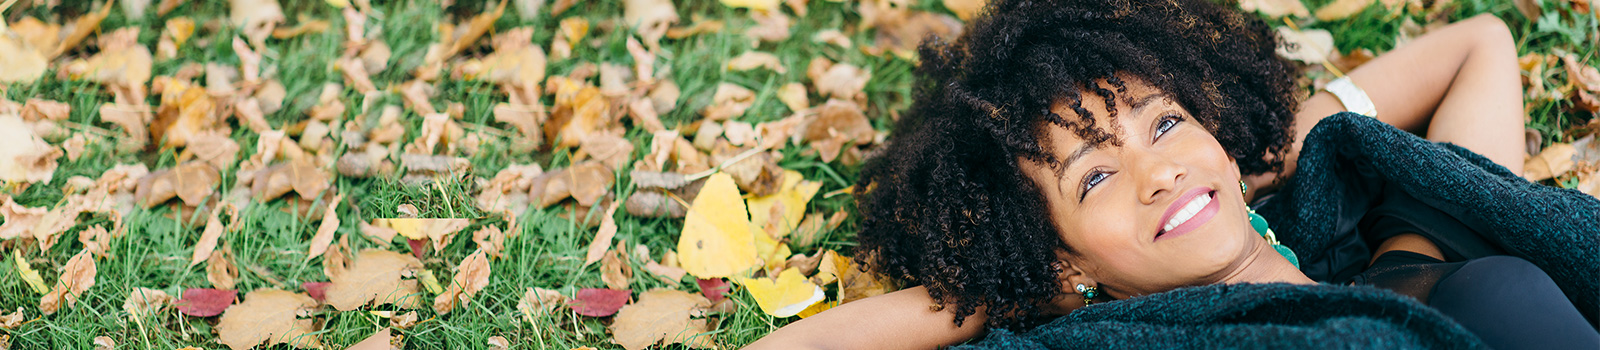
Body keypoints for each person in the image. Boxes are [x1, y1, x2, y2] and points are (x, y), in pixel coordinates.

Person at [746, 0, 1599, 348]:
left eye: (1163, 123)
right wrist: (1015, 289)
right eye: (1092, 178)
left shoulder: (1404, 236)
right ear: (1065, 261)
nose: (1152, 171)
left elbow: (1478, 42)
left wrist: (1239, 165)